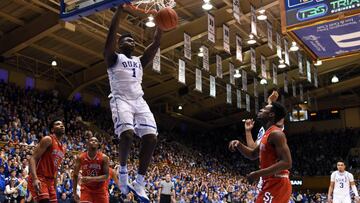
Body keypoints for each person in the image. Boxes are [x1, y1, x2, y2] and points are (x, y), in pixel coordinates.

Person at [104, 3, 163, 202]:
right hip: (121, 100)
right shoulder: (113, 57)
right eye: (127, 39)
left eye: (133, 40)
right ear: (120, 44)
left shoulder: (139, 60)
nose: (131, 41)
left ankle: (139, 182)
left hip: (138, 100)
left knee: (152, 138)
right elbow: (111, 35)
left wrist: (160, 24)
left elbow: (155, 44)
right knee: (127, 134)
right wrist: (119, 12)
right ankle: (122, 172)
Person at [229, 102, 292, 203]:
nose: (261, 110)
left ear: (271, 114)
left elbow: (287, 162)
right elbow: (253, 154)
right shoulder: (267, 134)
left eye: (264, 109)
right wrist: (239, 145)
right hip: (270, 182)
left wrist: (257, 174)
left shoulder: (277, 134)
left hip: (278, 182)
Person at [243, 90, 284, 191]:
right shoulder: (263, 131)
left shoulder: (275, 129)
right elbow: (253, 149)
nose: (261, 110)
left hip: (275, 175)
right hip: (266, 174)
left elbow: (278, 117)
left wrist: (271, 102)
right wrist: (248, 131)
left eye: (264, 109)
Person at [28, 120, 66, 203]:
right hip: (40, 177)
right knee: (44, 200)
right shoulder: (48, 139)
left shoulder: (63, 148)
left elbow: (55, 168)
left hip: (51, 181)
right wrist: (35, 179)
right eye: (58, 124)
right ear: (52, 129)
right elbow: (33, 158)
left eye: (62, 124)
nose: (61, 126)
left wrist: (54, 186)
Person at [73, 136, 110, 203]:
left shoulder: (104, 158)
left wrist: (91, 179)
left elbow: (106, 176)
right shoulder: (80, 157)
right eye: (91, 140)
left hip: (100, 190)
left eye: (96, 141)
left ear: (98, 145)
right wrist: (74, 192)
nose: (93, 141)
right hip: (86, 189)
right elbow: (75, 175)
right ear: (87, 144)